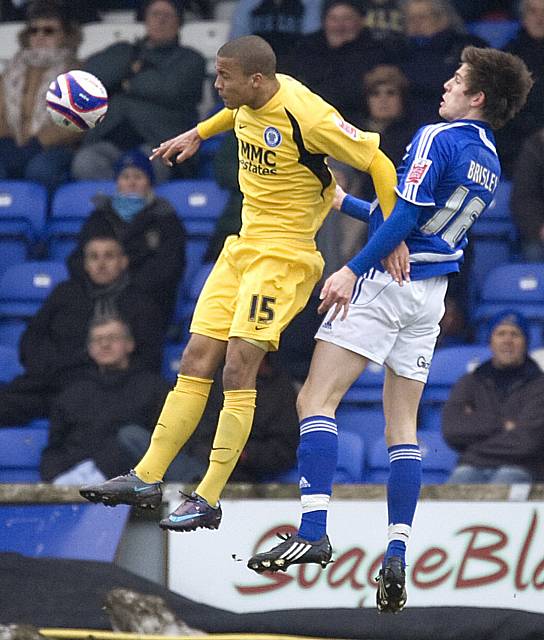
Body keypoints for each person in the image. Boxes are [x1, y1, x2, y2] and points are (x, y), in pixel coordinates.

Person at [246, 46, 533, 614]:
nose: (446, 85)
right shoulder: (490, 158)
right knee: (401, 427)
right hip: (430, 296)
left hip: (384, 281)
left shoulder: (435, 136)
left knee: (315, 399)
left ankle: (313, 529)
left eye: (457, 79)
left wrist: (351, 269)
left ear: (476, 97)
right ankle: (397, 551)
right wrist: (345, 202)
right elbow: (419, 222)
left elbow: (403, 218)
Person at [79, 35, 399, 527]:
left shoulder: (308, 116)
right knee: (194, 358)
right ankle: (146, 476)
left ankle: (208, 497)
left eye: (224, 77)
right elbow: (236, 115)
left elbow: (377, 161)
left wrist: (392, 233)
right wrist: (198, 133)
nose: (216, 84)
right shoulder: (248, 100)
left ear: (256, 78)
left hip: (286, 258)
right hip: (242, 248)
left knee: (237, 367)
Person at [0, 234, 163, 426]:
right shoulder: (65, 293)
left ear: (123, 261)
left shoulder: (141, 303)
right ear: (85, 264)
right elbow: (32, 340)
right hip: (52, 382)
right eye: (94, 257)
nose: (101, 264)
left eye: (109, 256)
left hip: (110, 389)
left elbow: (148, 358)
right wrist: (49, 369)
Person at [71, 0, 206, 181]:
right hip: (111, 141)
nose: (160, 20)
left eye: (167, 15)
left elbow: (170, 89)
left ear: (178, 22)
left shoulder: (191, 59)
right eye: (155, 14)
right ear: (145, 19)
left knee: (148, 166)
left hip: (160, 143)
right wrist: (128, 68)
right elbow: (89, 78)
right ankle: (112, 207)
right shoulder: (124, 51)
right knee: (85, 162)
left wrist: (126, 83)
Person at [40, 316, 170, 486]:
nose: (105, 344)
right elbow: (54, 448)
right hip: (73, 481)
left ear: (129, 344)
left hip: (132, 485)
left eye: (113, 338)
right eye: (97, 339)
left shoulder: (154, 389)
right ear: (90, 348)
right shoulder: (71, 393)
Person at [69, 149, 186, 325]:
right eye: (125, 177)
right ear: (117, 182)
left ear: (150, 183)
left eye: (138, 177)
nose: (131, 183)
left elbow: (169, 265)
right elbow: (78, 259)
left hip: (147, 302)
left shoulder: (165, 218)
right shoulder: (99, 217)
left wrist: (125, 287)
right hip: (96, 299)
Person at [443, 311, 544, 484]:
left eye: (515, 334)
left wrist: (475, 444)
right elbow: (453, 430)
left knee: (505, 480)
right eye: (500, 334)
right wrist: (503, 425)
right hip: (471, 467)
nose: (507, 341)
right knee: (460, 480)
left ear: (525, 342)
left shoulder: (539, 384)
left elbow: (529, 441)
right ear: (490, 341)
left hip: (521, 467)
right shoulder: (470, 382)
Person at [0, 0, 81, 191]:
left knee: (40, 170)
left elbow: (76, 120)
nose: (40, 36)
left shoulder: (76, 71)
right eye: (33, 31)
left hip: (56, 148)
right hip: (10, 144)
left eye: (49, 31)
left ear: (66, 35)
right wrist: (5, 140)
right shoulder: (11, 71)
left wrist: (39, 142)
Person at [284, 0, 396, 122]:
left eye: (347, 19)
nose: (339, 26)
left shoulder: (378, 52)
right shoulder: (305, 49)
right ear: (324, 22)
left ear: (362, 20)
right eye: (333, 19)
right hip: (310, 120)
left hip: (359, 122)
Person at [398, 0, 486, 127]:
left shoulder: (466, 47)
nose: (415, 23)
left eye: (422, 17)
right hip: (406, 123)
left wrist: (405, 78)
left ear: (443, 18)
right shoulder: (400, 49)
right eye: (410, 18)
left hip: (452, 121)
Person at [511, 127, 544, 261]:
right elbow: (523, 198)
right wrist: (539, 228)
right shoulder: (537, 146)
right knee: (534, 252)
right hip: (540, 231)